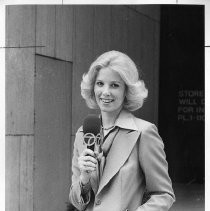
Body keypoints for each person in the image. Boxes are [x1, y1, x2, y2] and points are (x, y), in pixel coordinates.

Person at [69, 50, 175, 211]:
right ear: (92, 87)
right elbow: (77, 203)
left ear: (127, 91)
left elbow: (163, 195)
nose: (105, 92)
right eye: (100, 83)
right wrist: (84, 179)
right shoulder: (83, 133)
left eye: (115, 85)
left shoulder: (144, 133)